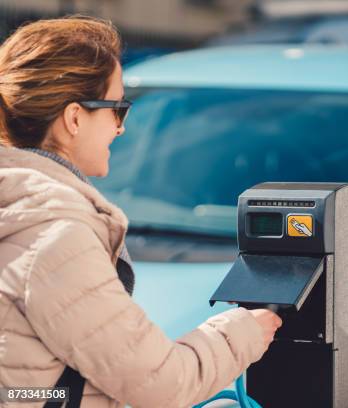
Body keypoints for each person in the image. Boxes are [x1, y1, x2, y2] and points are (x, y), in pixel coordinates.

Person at [0, 16, 281, 407]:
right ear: (75, 118)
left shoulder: (15, 206)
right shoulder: (56, 234)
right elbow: (162, 385)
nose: (121, 129)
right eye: (118, 109)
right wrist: (242, 331)